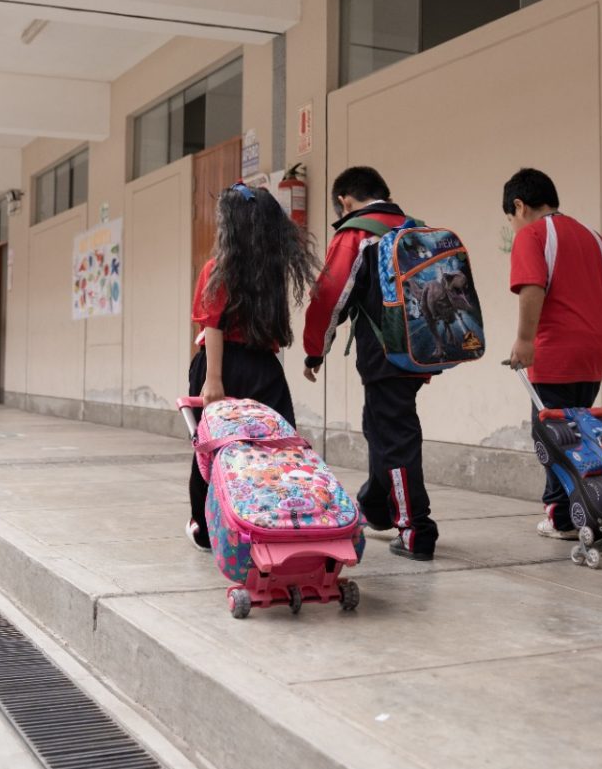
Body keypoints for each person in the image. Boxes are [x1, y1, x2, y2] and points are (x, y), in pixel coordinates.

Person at [302, 166, 438, 561]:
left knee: (394, 437)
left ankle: (417, 529)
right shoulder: (412, 226)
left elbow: (330, 296)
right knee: (380, 426)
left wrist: (315, 351)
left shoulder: (356, 232)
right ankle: (376, 508)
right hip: (416, 352)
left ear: (345, 200)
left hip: (383, 354)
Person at [186, 183, 318, 550]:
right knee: (276, 447)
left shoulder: (219, 268)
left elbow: (212, 324)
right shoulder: (270, 273)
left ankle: (207, 528)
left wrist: (213, 380)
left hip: (224, 364)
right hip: (265, 369)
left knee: (213, 449)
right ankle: (275, 521)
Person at [502, 169, 602, 541]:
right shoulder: (592, 236)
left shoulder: (533, 235)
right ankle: (594, 505)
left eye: (510, 217)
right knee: (583, 435)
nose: (512, 225)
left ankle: (563, 516)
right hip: (591, 355)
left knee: (552, 437)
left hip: (554, 352)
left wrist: (525, 339)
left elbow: (532, 286)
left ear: (520, 206)